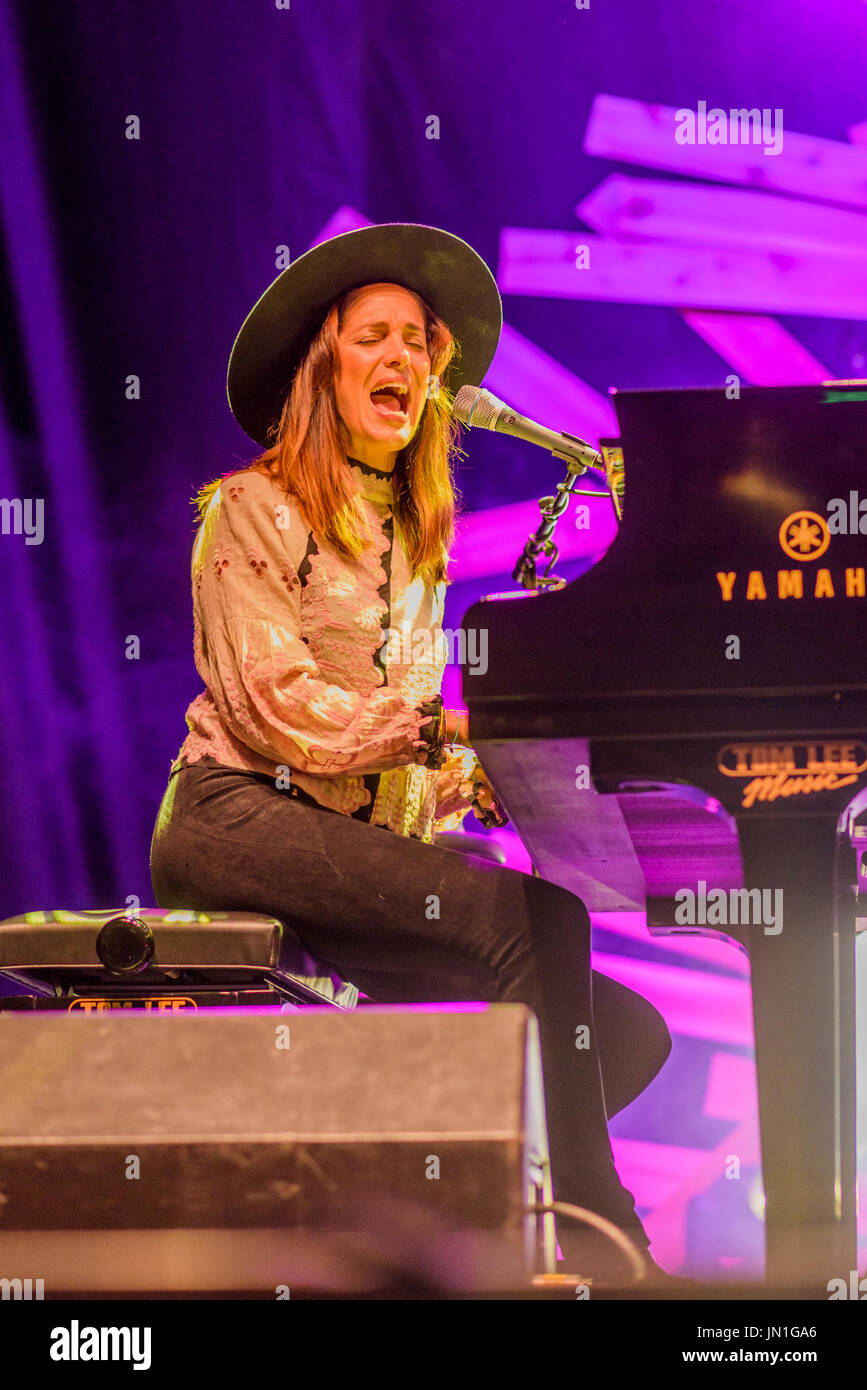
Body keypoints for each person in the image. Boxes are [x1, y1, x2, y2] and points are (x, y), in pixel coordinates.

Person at [149, 223, 672, 1280]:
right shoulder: (246, 510)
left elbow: (389, 769)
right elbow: (279, 715)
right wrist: (450, 723)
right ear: (323, 367)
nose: (406, 360)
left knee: (623, 1032)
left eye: (421, 344)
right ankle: (604, 1251)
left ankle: (408, 1212)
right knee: (540, 923)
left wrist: (491, 772)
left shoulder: (413, 542)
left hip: (333, 844)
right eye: (374, 338)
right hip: (235, 820)